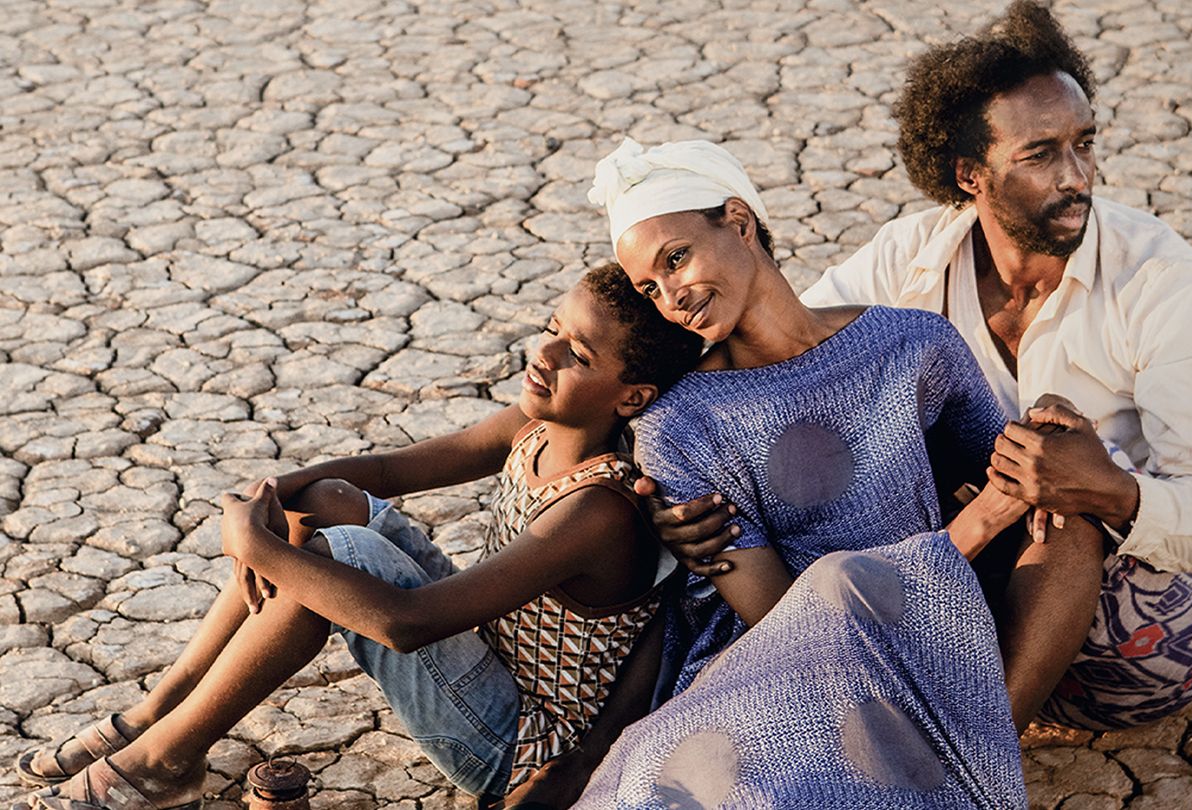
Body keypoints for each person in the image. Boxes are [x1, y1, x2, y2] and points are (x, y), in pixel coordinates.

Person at [656, 0, 1192, 732]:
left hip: (1110, 620)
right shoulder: (911, 257)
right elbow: (784, 346)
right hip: (965, 576)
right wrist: (679, 500)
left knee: (1062, 495)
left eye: (1085, 144)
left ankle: (977, 758)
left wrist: (1109, 489)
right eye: (1040, 154)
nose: (1078, 175)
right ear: (969, 174)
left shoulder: (1160, 280)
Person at [13, 263, 702, 810]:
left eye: (576, 353)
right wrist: (270, 500)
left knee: (337, 555)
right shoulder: (535, 423)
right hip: (484, 657)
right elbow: (383, 470)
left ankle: (162, 763)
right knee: (327, 503)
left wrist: (259, 547)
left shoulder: (599, 509)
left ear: (632, 397)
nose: (543, 353)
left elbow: (409, 624)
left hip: (515, 743)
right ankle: (157, 713)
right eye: (552, 327)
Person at [573, 137, 1034, 807]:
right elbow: (776, 622)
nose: (671, 294)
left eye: (676, 258)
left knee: (1066, 529)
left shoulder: (911, 345)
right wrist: (979, 519)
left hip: (937, 628)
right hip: (774, 678)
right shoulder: (679, 426)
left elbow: (1018, 472)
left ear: (739, 221)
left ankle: (972, 749)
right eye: (651, 287)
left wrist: (1047, 437)